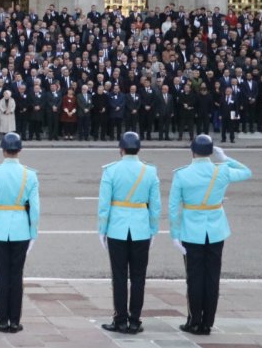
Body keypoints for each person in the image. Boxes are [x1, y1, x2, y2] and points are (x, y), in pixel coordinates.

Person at [169, 135, 252, 335]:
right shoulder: (221, 171)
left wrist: (175, 234)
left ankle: (194, 320)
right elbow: (246, 172)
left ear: (193, 151)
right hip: (216, 231)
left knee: (194, 277)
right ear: (211, 152)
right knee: (212, 277)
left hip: (192, 231)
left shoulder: (182, 174)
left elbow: (173, 208)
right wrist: (225, 158)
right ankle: (207, 322)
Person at [97, 132, 160, 334]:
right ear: (138, 149)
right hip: (141, 228)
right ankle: (135, 320)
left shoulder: (111, 171)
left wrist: (102, 229)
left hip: (117, 227)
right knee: (139, 276)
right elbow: (155, 206)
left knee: (119, 276)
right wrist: (153, 229)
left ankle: (120, 319)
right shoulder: (149, 172)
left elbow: (104, 205)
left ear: (121, 149)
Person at [0, 132, 40, 333]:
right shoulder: (29, 174)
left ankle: (2, 319)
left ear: (3, 150)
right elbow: (35, 208)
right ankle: (15, 320)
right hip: (21, 229)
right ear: (20, 150)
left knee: (3, 275)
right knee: (17, 276)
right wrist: (33, 232)